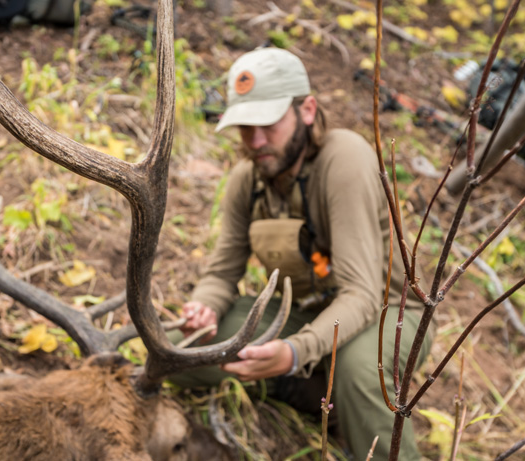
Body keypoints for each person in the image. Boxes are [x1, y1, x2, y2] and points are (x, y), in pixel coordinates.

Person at [168, 47, 433, 460]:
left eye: (268, 125)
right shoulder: (247, 180)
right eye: (245, 128)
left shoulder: (344, 160)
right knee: (178, 352)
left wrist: (295, 352)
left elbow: (362, 294)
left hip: (387, 318)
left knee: (362, 371)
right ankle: (313, 387)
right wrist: (204, 307)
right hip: (307, 315)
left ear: (307, 110)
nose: (256, 142)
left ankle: (334, 386)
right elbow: (222, 274)